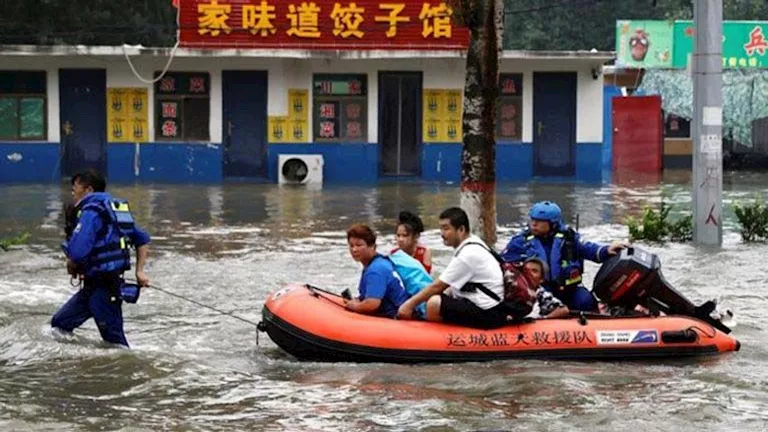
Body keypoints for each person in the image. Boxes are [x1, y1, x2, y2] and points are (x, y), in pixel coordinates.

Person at [51, 170, 151, 347]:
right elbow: (142, 239)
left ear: (88, 190)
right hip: (94, 285)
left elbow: (77, 252)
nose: (73, 194)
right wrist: (140, 271)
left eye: (75, 189)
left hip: (105, 288)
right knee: (59, 325)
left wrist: (70, 262)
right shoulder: (114, 209)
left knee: (115, 343)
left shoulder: (91, 212)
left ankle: (125, 371)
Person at [500, 201, 625, 312]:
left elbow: (588, 249)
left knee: (586, 301)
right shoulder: (520, 241)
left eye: (539, 221)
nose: (533, 224)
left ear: (552, 223)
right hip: (540, 290)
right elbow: (503, 264)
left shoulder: (569, 238)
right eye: (532, 220)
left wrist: (607, 250)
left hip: (569, 289)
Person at [396, 207, 508, 329]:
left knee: (434, 303)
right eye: (441, 228)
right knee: (442, 296)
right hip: (485, 304)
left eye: (446, 228)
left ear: (461, 229)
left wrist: (408, 305)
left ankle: (438, 337)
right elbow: (450, 284)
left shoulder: (468, 254)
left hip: (488, 312)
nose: (442, 233)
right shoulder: (473, 243)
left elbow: (437, 286)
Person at [346, 224, 410, 319]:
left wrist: (353, 306)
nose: (354, 249)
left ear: (372, 246)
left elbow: (372, 304)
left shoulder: (376, 269)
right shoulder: (378, 262)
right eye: (351, 245)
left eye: (359, 245)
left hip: (396, 317)